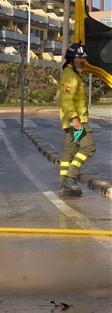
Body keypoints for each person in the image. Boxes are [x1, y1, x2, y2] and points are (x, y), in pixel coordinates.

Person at [57, 42, 96, 197]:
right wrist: (75, 119)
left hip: (72, 120)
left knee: (69, 155)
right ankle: (70, 177)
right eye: (79, 57)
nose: (82, 60)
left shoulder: (73, 73)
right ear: (71, 58)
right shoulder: (69, 75)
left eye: (83, 57)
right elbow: (66, 100)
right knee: (89, 147)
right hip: (76, 121)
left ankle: (64, 187)